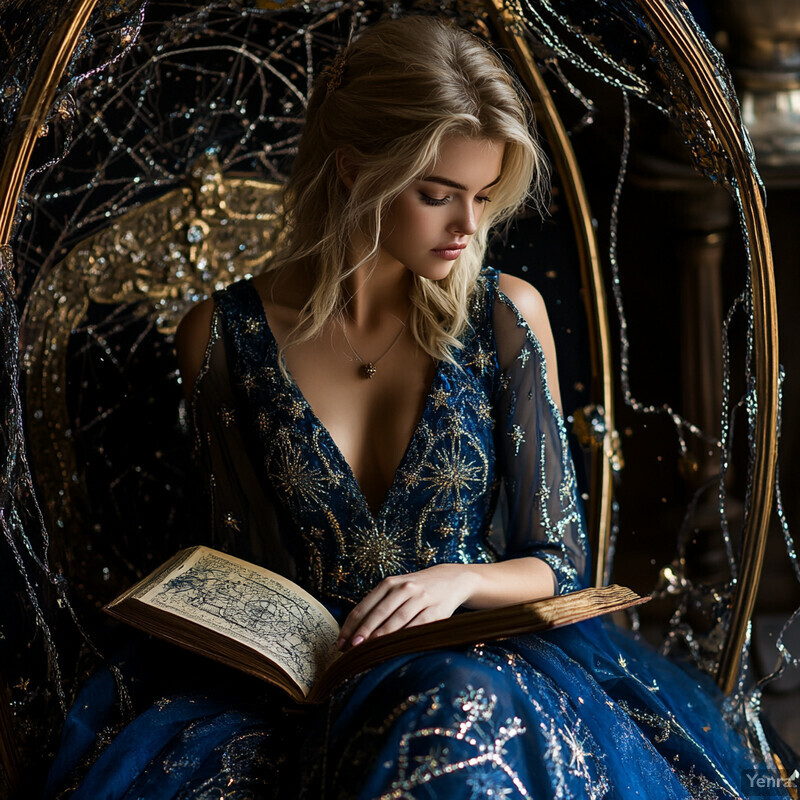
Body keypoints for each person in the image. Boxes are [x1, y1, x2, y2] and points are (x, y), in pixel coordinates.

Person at [45, 14, 787, 800]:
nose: (468, 227)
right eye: (438, 196)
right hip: (311, 682)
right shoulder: (220, 337)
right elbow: (237, 558)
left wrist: (456, 582)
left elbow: (561, 565)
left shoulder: (506, 317)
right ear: (355, 171)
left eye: (482, 196)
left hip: (474, 657)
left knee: (458, 711)